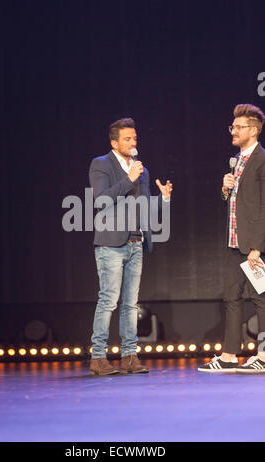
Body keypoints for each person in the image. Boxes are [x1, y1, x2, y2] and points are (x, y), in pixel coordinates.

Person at [89, 118, 173, 375]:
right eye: (127, 138)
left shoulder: (142, 170)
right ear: (114, 142)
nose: (133, 142)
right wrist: (128, 179)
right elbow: (101, 200)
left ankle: (129, 356)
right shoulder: (101, 164)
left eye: (135, 138)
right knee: (108, 300)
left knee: (130, 304)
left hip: (136, 242)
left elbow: (145, 207)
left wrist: (164, 199)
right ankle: (98, 358)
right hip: (111, 244)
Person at [198, 103, 265, 373]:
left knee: (261, 297)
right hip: (234, 242)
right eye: (232, 127)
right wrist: (225, 190)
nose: (233, 131)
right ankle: (228, 356)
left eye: (238, 127)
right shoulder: (237, 160)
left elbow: (264, 207)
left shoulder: (262, 159)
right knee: (231, 297)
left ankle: (264, 356)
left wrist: (257, 248)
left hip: (254, 245)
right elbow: (236, 202)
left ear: (254, 129)